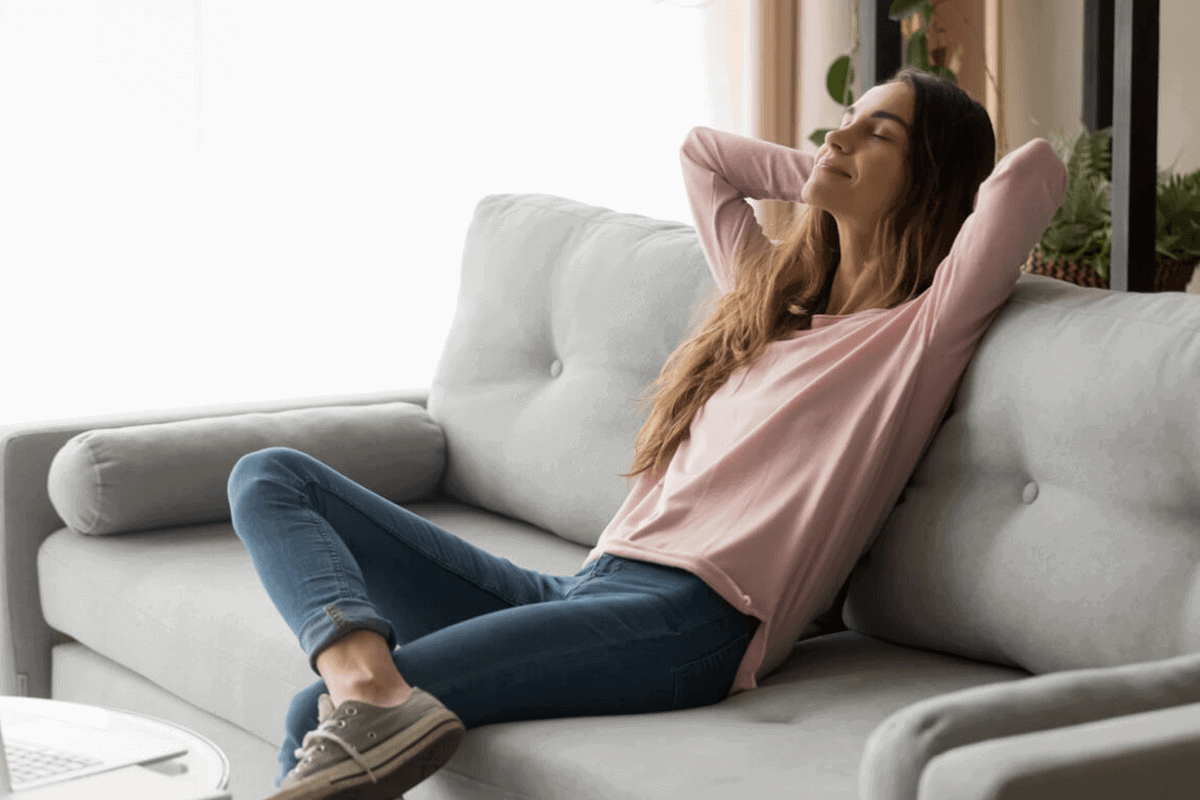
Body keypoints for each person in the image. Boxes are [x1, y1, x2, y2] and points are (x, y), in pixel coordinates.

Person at [227, 65, 1067, 800]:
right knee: (270, 477)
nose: (840, 130)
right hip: (586, 588)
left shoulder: (919, 333)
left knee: (317, 711)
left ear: (928, 177)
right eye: (842, 117)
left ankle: (367, 691)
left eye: (877, 130)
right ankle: (367, 675)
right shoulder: (769, 302)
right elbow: (703, 155)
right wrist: (831, 164)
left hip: (694, 619)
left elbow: (1034, 172)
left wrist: (848, 170)